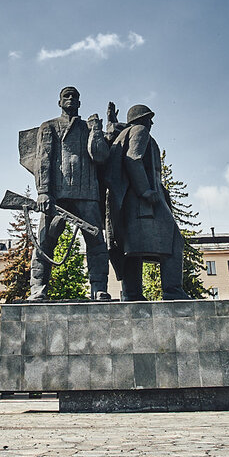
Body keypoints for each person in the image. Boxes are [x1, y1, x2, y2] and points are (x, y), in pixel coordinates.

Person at [30, 86, 111, 300]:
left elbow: (101, 157)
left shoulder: (88, 127)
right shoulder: (49, 126)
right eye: (66, 96)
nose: (71, 99)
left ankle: (99, 287)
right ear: (59, 102)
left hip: (87, 193)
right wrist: (43, 191)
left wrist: (97, 131)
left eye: (75, 96)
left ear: (79, 103)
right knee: (45, 241)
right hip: (58, 195)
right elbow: (43, 159)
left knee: (96, 243)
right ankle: (38, 287)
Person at [104, 104, 186, 301]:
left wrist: (113, 123)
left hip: (128, 203)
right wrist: (145, 190)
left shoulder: (124, 134)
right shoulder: (139, 131)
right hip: (144, 201)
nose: (152, 122)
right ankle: (172, 290)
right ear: (141, 119)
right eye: (149, 118)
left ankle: (132, 294)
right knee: (175, 241)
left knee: (132, 250)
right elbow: (133, 158)